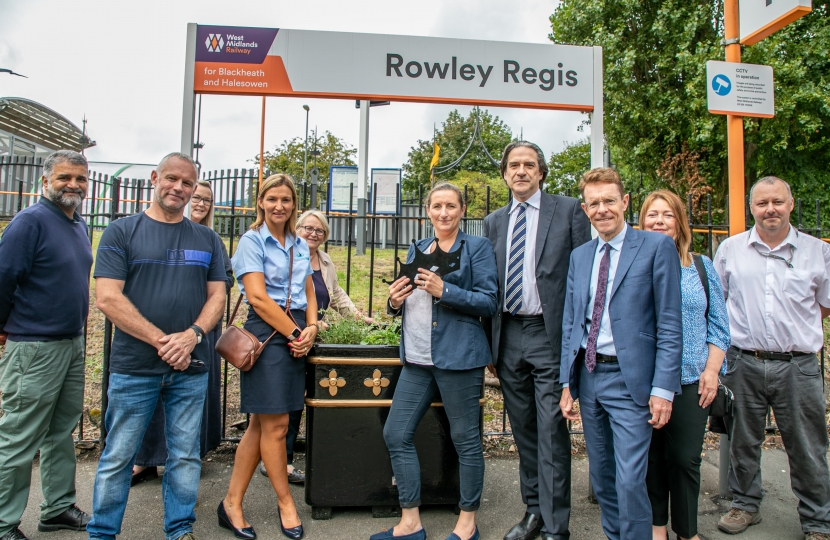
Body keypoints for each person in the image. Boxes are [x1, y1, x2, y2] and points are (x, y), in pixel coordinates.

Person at [86, 152, 228, 540]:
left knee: (184, 456)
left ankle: (180, 530)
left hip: (191, 368)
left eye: (187, 183)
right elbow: (107, 298)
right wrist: (163, 341)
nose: (179, 188)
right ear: (154, 178)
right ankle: (102, 533)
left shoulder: (208, 239)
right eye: (172, 179)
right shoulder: (121, 232)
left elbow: (218, 296)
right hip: (134, 367)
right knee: (118, 456)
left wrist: (192, 335)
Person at [560, 167, 683, 540]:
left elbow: (669, 323)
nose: (602, 209)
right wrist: (568, 383)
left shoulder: (655, 247)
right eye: (594, 203)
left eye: (609, 201)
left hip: (632, 383)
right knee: (603, 479)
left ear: (625, 202)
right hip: (591, 378)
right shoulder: (580, 256)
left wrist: (663, 388)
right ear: (585, 208)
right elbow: (571, 324)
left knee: (630, 481)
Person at [376, 182, 498, 540]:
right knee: (396, 433)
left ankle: (467, 523)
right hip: (416, 357)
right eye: (436, 206)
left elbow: (489, 302)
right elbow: (405, 299)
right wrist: (394, 302)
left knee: (465, 440)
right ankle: (411, 521)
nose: (443, 213)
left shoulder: (477, 247)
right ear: (427, 210)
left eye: (450, 206)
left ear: (462, 210)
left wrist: (445, 291)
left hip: (458, 356)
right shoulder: (418, 247)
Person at [482, 141, 591, 540]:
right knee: (524, 430)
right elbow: (488, 282)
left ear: (541, 172)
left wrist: (577, 341)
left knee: (550, 430)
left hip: (549, 334)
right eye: (514, 165)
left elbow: (583, 274)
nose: (522, 171)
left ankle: (556, 524)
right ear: (505, 173)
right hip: (508, 333)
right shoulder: (494, 221)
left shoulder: (567, 210)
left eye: (529, 164)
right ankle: (533, 512)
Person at [714, 176, 830, 539]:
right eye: (762, 203)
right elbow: (719, 303)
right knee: (742, 440)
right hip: (743, 361)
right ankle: (745, 504)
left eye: (777, 202)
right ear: (751, 208)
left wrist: (790, 334)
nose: (770, 210)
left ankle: (817, 520)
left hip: (798, 366)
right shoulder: (731, 250)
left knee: (808, 446)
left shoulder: (818, 251)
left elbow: (823, 306)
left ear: (791, 204)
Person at [0, 150, 93, 540]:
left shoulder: (78, 224)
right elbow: (4, 277)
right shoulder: (29, 222)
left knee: (61, 431)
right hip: (34, 347)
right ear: (45, 182)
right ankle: (3, 523)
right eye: (64, 178)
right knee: (19, 437)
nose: (73, 184)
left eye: (80, 178)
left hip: (70, 343)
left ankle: (55, 507)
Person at [219, 174, 318, 540]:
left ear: (294, 205)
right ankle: (285, 503)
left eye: (286, 200)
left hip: (294, 331)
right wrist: (295, 334)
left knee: (261, 426)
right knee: (276, 427)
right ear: (261, 201)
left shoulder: (297, 242)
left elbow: (308, 285)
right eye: (272, 199)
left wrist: (311, 327)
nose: (279, 206)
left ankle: (231, 502)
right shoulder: (251, 241)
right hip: (267, 332)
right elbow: (258, 298)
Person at [639, 190, 730, 540]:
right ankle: (657, 528)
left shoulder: (702, 268)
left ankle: (687, 531)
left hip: (693, 379)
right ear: (641, 222)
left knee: (686, 460)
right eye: (652, 214)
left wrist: (711, 371)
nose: (659, 221)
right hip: (645, 382)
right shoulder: (633, 266)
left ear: (679, 223)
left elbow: (720, 327)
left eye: (668, 215)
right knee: (652, 461)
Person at [131, 179, 234, 486]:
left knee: (190, 398)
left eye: (206, 200)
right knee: (150, 396)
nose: (200, 203)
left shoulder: (211, 239)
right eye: (197, 197)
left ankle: (188, 457)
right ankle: (145, 459)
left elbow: (223, 283)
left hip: (198, 330)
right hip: (156, 331)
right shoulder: (154, 230)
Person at [259, 209, 372, 484]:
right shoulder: (284, 255)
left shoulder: (324, 260)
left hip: (313, 338)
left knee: (307, 396)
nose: (312, 234)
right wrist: (308, 326)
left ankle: (303, 452)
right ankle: (277, 460)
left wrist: (357, 317)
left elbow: (335, 294)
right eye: (308, 228)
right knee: (286, 399)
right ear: (297, 229)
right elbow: (272, 297)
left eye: (319, 231)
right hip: (285, 334)